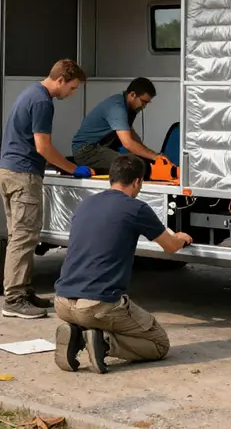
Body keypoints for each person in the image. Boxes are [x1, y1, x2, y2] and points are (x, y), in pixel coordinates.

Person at [52, 155, 192, 373]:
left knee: (95, 316)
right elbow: (170, 246)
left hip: (62, 301)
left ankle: (78, 335)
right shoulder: (136, 208)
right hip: (97, 305)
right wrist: (181, 238)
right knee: (159, 344)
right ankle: (104, 342)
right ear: (137, 182)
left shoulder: (86, 203)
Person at [0, 59, 89, 319]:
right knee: (24, 238)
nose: (71, 94)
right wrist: (71, 168)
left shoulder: (30, 93)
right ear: (60, 80)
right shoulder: (42, 102)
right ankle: (14, 299)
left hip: (9, 171)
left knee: (20, 236)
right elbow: (43, 147)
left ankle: (24, 292)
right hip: (23, 175)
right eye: (72, 88)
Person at [71, 77, 168, 176]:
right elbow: (128, 143)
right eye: (143, 102)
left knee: (141, 162)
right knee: (130, 166)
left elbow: (132, 136)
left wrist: (153, 156)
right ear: (132, 95)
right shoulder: (117, 108)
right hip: (86, 151)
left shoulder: (128, 107)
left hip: (100, 148)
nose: (144, 106)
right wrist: (154, 156)